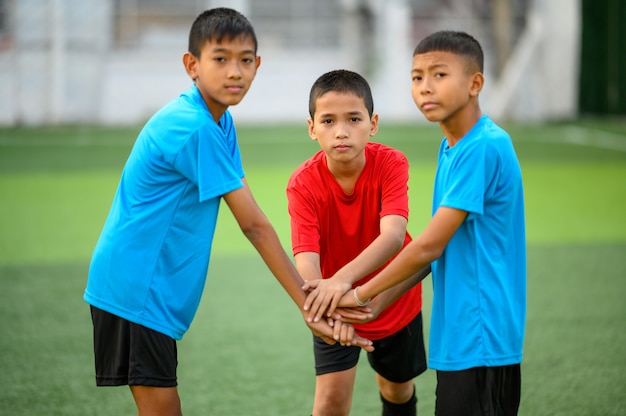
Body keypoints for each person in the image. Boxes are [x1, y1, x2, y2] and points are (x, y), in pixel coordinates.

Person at [83, 9, 372, 416]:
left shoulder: (218, 121)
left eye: (246, 59)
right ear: (192, 65)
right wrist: (309, 307)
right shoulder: (194, 126)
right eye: (220, 58)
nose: (235, 71)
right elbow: (253, 224)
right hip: (137, 285)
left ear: (258, 65)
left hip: (147, 286)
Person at [308, 31, 527, 415]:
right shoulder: (454, 147)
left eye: (439, 75)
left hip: (481, 333)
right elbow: (428, 257)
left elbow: (426, 246)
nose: (425, 87)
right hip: (459, 335)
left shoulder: (482, 147)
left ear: (475, 83)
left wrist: (355, 293)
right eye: (416, 77)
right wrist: (372, 306)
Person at [287, 69, 431, 416]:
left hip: (394, 298)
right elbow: (307, 258)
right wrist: (326, 301)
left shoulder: (391, 163)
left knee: (396, 390)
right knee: (330, 403)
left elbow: (394, 236)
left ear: (373, 123)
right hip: (336, 309)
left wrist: (343, 283)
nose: (341, 131)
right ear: (312, 128)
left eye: (354, 119)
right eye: (328, 120)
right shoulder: (302, 183)